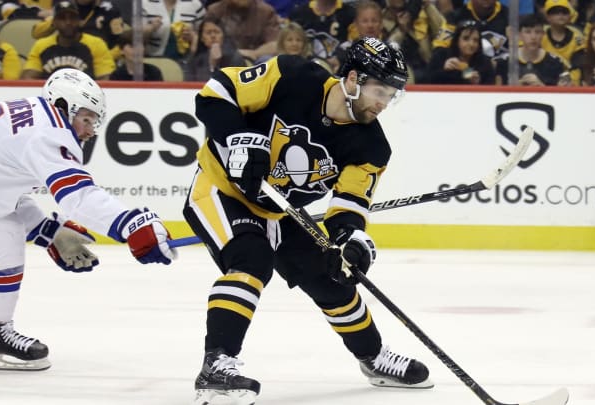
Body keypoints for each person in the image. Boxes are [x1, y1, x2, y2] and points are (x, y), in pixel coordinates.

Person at [182, 37, 432, 405]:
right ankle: (216, 367)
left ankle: (373, 358)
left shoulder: (372, 147)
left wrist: (349, 240)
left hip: (282, 210)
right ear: (352, 79)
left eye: (391, 94)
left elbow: (349, 205)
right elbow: (215, 92)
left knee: (333, 277)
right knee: (251, 261)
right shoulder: (292, 76)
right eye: (379, 90)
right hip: (222, 191)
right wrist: (237, 139)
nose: (383, 103)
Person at [0, 68, 177, 371]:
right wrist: (133, 225)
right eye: (87, 118)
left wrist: (49, 231)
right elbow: (78, 196)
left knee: (5, 233)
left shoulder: (35, 117)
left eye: (94, 121)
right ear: (65, 106)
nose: (90, 130)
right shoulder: (49, 132)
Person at [21, 1, 115, 80]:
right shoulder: (41, 45)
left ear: (79, 21)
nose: (68, 22)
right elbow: (28, 79)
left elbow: (105, 79)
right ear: (53, 22)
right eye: (62, 18)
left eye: (72, 18)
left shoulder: (96, 44)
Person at [426, 19, 495, 84]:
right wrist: (444, 70)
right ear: (456, 40)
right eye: (466, 38)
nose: (471, 44)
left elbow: (490, 87)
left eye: (475, 40)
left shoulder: (484, 62)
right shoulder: (441, 55)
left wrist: (478, 83)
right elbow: (427, 80)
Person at [185, 17, 246, 82]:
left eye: (217, 32)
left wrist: (216, 65)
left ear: (223, 36)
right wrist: (212, 66)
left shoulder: (235, 58)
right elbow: (188, 85)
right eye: (208, 33)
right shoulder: (194, 59)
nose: (213, 36)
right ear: (202, 38)